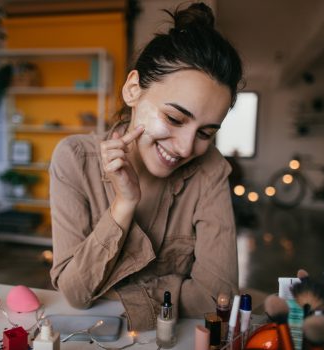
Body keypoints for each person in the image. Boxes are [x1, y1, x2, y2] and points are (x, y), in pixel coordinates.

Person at [49, 2, 243, 331]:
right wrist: (124, 205)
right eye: (174, 118)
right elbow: (75, 293)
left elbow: (215, 300)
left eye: (205, 133)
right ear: (133, 89)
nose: (185, 148)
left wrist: (112, 290)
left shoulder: (211, 169)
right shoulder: (74, 159)